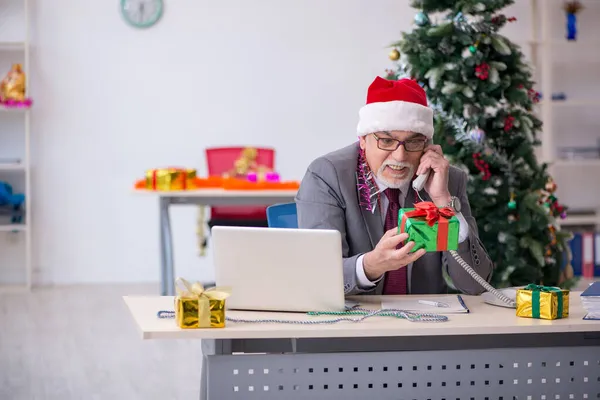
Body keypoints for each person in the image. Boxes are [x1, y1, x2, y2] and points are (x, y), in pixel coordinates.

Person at [295, 76, 493, 296]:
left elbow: (476, 285)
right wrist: (370, 266)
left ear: (427, 145)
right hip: (355, 322)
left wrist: (444, 202)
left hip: (426, 321)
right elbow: (318, 275)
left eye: (414, 142)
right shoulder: (327, 175)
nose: (400, 156)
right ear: (363, 139)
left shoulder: (446, 180)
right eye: (386, 141)